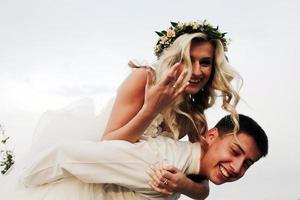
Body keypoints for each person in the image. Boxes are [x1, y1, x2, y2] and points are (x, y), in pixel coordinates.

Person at [99, 20, 241, 198]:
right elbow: (107, 145)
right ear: (172, 60)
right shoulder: (144, 79)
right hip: (107, 188)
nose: (196, 72)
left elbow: (203, 188)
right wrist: (151, 109)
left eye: (205, 63)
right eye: (187, 60)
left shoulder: (195, 114)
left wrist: (183, 184)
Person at [21, 114, 268, 200]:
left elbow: (201, 191)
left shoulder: (190, 171)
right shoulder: (161, 163)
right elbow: (64, 156)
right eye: (235, 152)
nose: (236, 168)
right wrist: (22, 185)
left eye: (247, 163)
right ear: (212, 136)